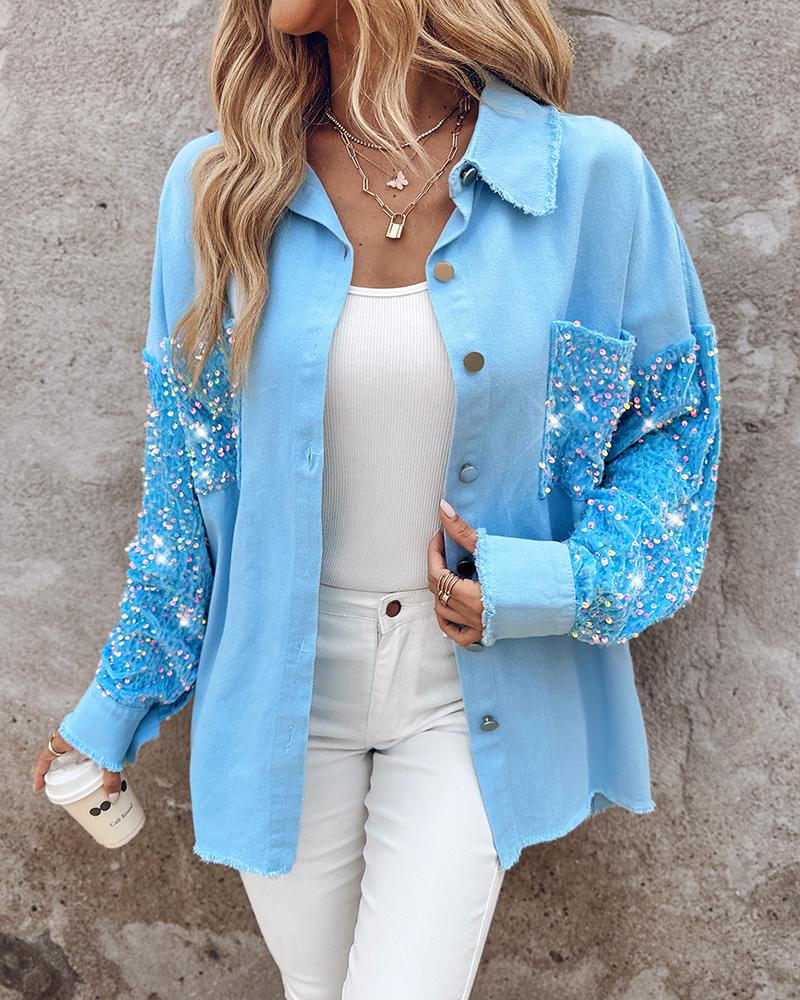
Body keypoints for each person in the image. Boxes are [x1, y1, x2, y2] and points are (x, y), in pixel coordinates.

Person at [32, 1, 723, 997]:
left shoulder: (587, 178)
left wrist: (551, 583)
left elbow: (671, 432)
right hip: (279, 692)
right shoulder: (220, 186)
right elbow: (187, 491)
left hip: (471, 688)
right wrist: (112, 710)